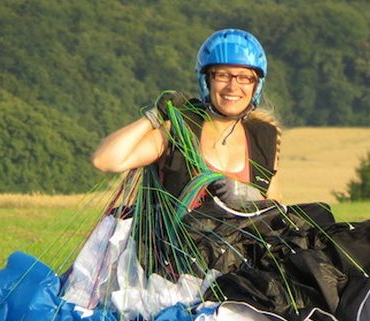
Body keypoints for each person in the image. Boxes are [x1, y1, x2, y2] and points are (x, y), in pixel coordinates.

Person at [92, 28, 283, 207]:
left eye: (244, 78)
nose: (233, 87)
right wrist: (154, 116)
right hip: (174, 242)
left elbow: (276, 210)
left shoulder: (264, 138)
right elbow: (106, 160)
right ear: (207, 81)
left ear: (255, 86)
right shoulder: (178, 130)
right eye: (223, 76)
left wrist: (253, 198)